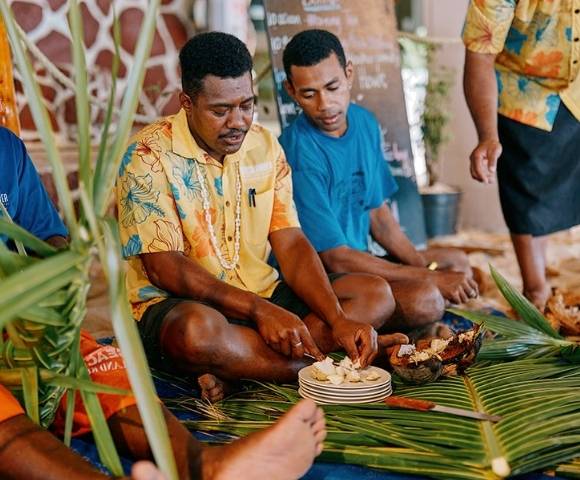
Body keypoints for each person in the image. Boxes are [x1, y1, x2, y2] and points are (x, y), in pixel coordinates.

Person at [0, 124, 327, 480]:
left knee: (102, 367)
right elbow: (162, 268)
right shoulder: (151, 151)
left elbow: (48, 238)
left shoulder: (7, 148)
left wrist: (59, 278)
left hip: (20, 322)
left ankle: (202, 465)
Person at [116, 31, 408, 399]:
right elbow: (164, 267)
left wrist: (337, 320)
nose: (237, 122)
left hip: (263, 291)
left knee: (374, 294)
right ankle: (323, 366)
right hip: (180, 305)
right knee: (196, 333)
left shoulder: (265, 146)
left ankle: (238, 365)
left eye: (246, 105)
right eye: (220, 111)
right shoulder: (146, 156)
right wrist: (257, 310)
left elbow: (290, 241)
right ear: (187, 103)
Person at [279, 30, 478, 336]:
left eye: (333, 87)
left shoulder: (364, 122)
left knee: (458, 263)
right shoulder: (298, 151)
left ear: (349, 74)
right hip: (328, 279)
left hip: (364, 262)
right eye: (309, 93)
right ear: (291, 91)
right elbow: (335, 256)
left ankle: (413, 325)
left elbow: (379, 216)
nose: (325, 104)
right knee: (426, 299)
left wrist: (424, 270)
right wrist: (427, 281)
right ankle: (407, 330)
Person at [462, 1, 580, 310]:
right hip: (523, 90)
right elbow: (479, 54)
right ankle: (536, 290)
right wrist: (488, 136)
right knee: (526, 188)